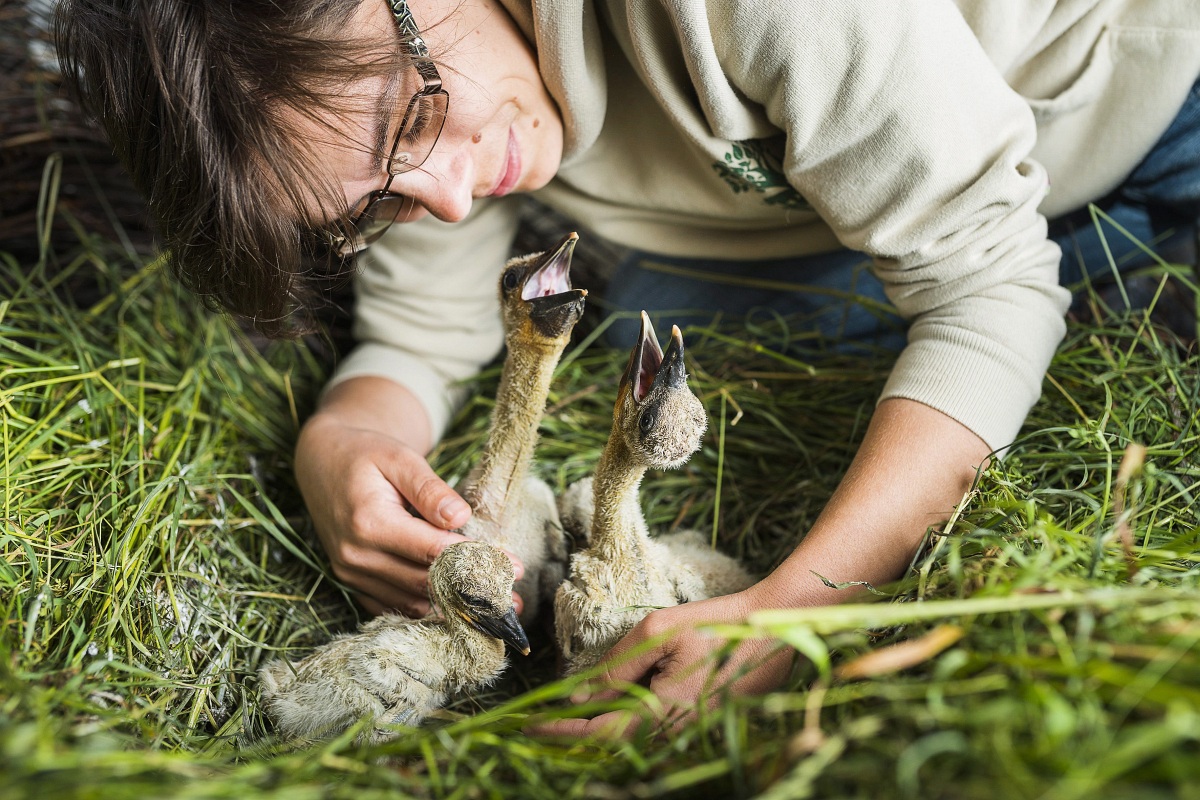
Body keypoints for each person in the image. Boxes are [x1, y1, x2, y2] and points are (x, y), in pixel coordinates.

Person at [57, 0, 1200, 737]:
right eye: (380, 203)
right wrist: (342, 438)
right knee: (634, 319)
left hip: (1141, 112)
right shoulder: (429, 89)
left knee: (1026, 331)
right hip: (865, 206)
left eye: (412, 125)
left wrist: (782, 613)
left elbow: (987, 283)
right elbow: (419, 334)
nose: (450, 198)